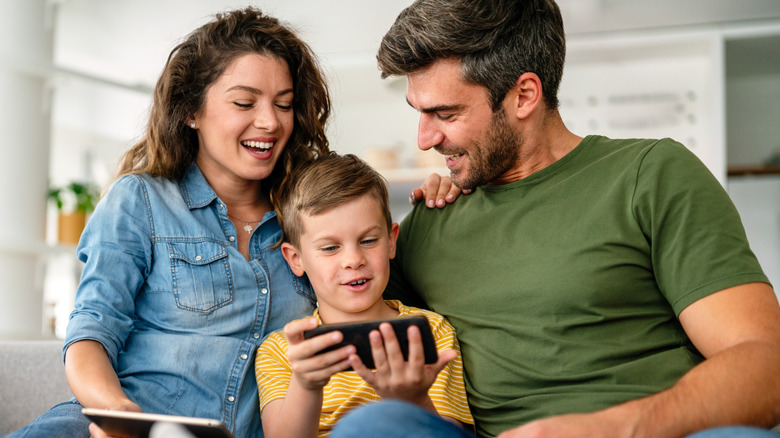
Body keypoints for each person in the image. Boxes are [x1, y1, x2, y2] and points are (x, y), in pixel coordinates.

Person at [331, 1, 780, 438]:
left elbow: (765, 363)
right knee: (371, 428)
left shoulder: (650, 174)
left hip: (654, 430)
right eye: (420, 113)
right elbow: (337, 296)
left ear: (524, 95)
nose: (426, 138)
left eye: (445, 114)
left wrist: (612, 428)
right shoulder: (431, 220)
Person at [8, 7, 457, 438]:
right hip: (126, 425)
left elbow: (373, 277)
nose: (269, 122)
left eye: (284, 104)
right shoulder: (140, 199)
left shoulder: (308, 215)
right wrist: (117, 414)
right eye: (244, 102)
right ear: (191, 111)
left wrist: (444, 190)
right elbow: (91, 332)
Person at [255, 153, 474, 437]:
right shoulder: (283, 351)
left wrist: (414, 398)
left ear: (391, 241)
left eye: (368, 241)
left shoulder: (430, 331)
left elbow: (447, 433)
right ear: (295, 259)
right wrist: (307, 384)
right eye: (330, 248)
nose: (353, 259)